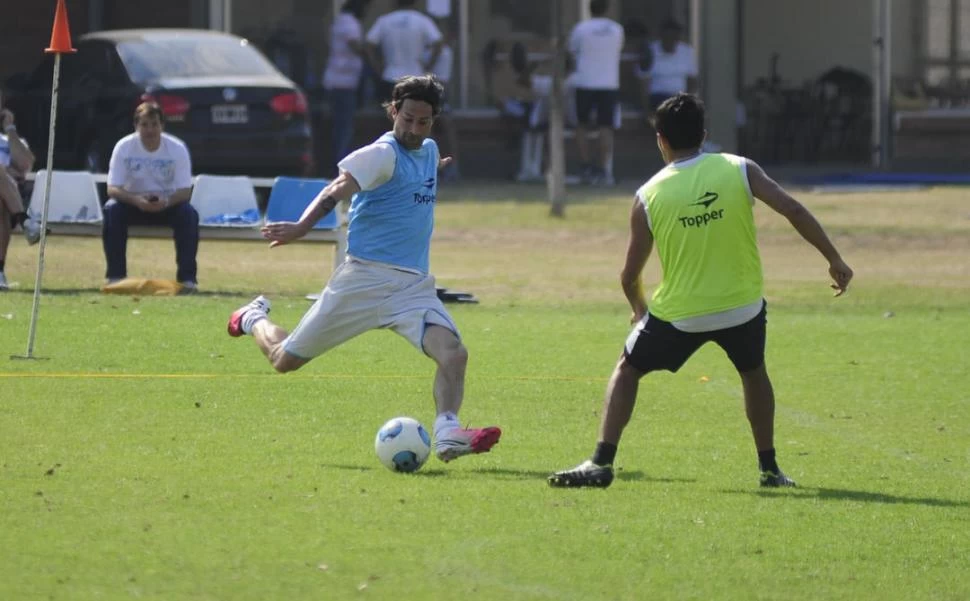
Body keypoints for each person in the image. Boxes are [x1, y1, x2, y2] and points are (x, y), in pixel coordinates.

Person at [548, 93, 853, 489]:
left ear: (661, 141)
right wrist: (834, 258)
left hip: (680, 314)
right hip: (742, 307)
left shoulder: (648, 195)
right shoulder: (740, 168)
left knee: (628, 369)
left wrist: (639, 309)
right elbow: (793, 209)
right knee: (754, 373)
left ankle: (601, 461)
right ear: (705, 136)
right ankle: (769, 469)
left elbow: (628, 275)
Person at [226, 75, 501, 464]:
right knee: (285, 361)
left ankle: (447, 433)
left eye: (423, 122)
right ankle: (253, 317)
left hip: (412, 287)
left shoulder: (427, 150)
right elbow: (334, 189)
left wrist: (433, 166)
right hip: (363, 281)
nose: (412, 129)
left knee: (454, 354)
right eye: (406, 119)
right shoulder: (380, 154)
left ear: (433, 120)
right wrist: (303, 227)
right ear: (393, 111)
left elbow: (416, 174)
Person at [103, 102, 199, 291]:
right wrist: (137, 200)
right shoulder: (124, 147)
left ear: (162, 125)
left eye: (154, 124)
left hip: (168, 205)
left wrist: (166, 202)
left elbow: (185, 191)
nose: (150, 130)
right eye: (144, 124)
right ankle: (115, 277)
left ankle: (187, 280)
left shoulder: (177, 148)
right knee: (112, 209)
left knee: (189, 214)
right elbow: (113, 188)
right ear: (136, 126)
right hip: (132, 204)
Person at [568, 0, 625, 186]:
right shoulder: (617, 29)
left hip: (584, 82)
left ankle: (585, 166)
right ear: (607, 8)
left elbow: (572, 51)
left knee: (581, 125)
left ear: (589, 8)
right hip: (609, 83)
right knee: (606, 127)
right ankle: (602, 169)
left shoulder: (581, 29)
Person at [323, 0, 372, 176]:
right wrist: (370, 55)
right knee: (344, 127)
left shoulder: (339, 21)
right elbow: (354, 44)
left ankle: (338, 163)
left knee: (341, 126)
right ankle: (341, 166)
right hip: (343, 82)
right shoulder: (349, 23)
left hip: (339, 80)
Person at [365, 0, 443, 103]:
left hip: (390, 76)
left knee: (392, 115)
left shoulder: (384, 20)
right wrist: (429, 66)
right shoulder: (422, 20)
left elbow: (369, 45)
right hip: (416, 76)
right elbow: (438, 43)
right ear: (414, 2)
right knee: (414, 116)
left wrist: (377, 66)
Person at [0, 98, 39, 291]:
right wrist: (7, 170)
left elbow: (25, 165)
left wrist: (10, 129)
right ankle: (25, 221)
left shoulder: (11, 140)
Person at [638, 18, 698, 119]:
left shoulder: (687, 52)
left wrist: (689, 103)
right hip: (657, 98)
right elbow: (643, 82)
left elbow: (692, 81)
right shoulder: (650, 51)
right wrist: (646, 110)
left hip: (679, 97)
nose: (670, 41)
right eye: (667, 37)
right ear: (661, 37)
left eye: (673, 38)